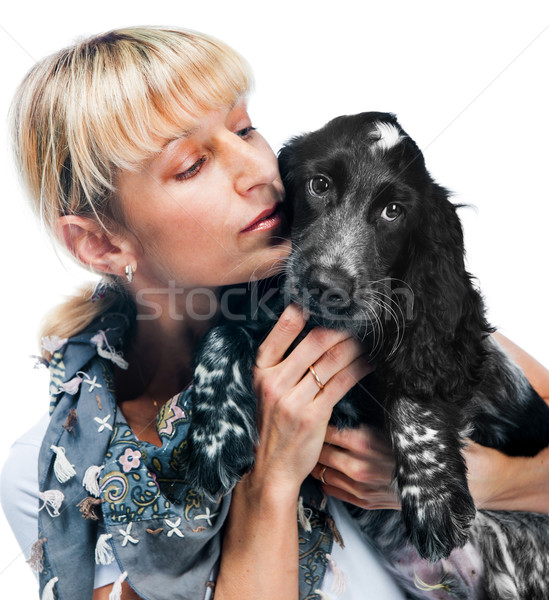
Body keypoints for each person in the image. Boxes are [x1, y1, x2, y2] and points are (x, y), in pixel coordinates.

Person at [1, 26, 548, 600]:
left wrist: (490, 479)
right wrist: (271, 479)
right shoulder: (52, 478)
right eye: (191, 164)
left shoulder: (357, 298)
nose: (258, 172)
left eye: (243, 128)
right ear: (101, 245)